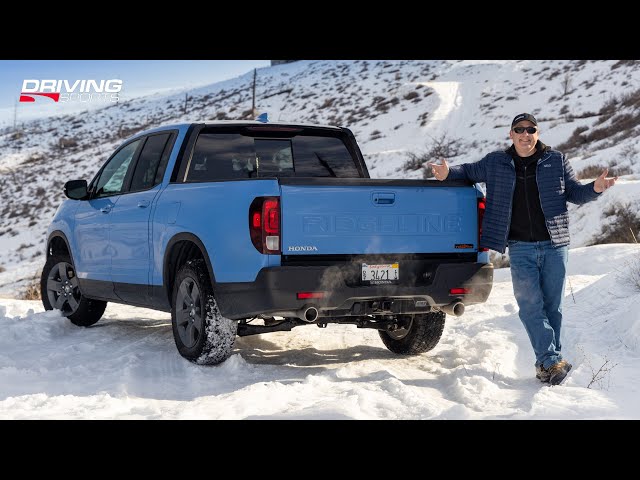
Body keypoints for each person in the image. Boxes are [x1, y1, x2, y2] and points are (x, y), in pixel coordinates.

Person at [429, 113, 617, 386]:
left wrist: (596, 188)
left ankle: (547, 363)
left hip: (555, 244)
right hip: (520, 247)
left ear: (537, 133)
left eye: (531, 130)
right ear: (511, 134)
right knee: (530, 306)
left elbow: (574, 193)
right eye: (520, 129)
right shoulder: (496, 162)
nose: (525, 134)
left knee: (554, 308)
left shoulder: (556, 160)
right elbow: (468, 171)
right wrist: (448, 173)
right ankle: (552, 361)